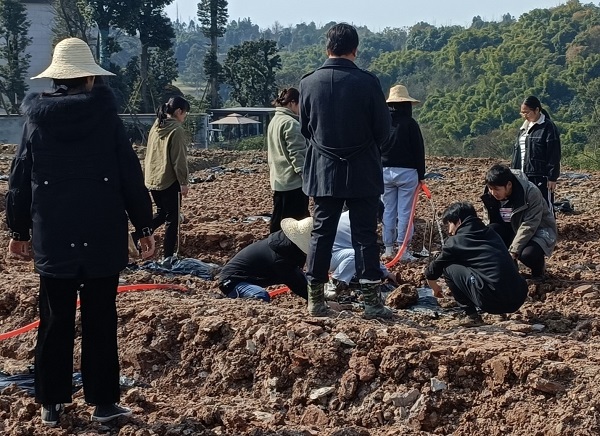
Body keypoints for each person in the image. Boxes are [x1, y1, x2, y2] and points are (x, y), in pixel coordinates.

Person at [5, 38, 155, 426]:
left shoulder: (36, 121)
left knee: (55, 319)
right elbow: (130, 175)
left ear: (56, 79)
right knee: (100, 320)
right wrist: (143, 226)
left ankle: (51, 403)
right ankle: (103, 404)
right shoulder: (107, 120)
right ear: (90, 78)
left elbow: (21, 177)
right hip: (102, 233)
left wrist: (18, 231)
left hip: (53, 236)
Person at [299, 23, 392, 318]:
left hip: (324, 171)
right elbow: (383, 130)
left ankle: (315, 301)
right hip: (363, 169)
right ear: (355, 49)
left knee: (321, 233)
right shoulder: (368, 82)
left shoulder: (308, 83)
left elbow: (306, 129)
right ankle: (372, 303)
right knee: (365, 235)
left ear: (328, 47)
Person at [424, 202, 528, 326]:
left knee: (448, 267)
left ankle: (471, 316)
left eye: (449, 224)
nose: (449, 231)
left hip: (491, 302)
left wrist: (434, 286)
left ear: (458, 222)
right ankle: (500, 314)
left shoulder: (455, 242)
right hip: (518, 296)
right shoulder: (492, 233)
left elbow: (432, 271)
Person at [133, 96, 190, 259]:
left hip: (153, 178)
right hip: (169, 180)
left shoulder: (157, 125)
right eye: (185, 113)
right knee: (173, 219)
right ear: (179, 111)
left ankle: (135, 236)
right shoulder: (176, 130)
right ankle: (168, 256)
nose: (185, 117)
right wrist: (183, 182)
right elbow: (179, 159)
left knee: (162, 213)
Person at [481, 164, 557, 280]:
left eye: (497, 189)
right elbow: (488, 221)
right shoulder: (489, 194)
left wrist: (513, 251)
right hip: (509, 228)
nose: (493, 192)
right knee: (491, 232)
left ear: (509, 185)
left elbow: (530, 224)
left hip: (536, 230)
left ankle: (538, 271)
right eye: (490, 188)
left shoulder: (530, 192)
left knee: (527, 254)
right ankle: (511, 270)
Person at [380, 84, 426, 262]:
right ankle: (403, 250)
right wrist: (421, 176)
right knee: (405, 212)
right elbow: (418, 151)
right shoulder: (410, 124)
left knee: (388, 210)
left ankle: (388, 249)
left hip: (384, 172)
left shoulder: (382, 123)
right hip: (407, 173)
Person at [217, 218, 310, 302]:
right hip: (232, 282)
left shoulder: (284, 244)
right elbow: (296, 283)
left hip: (247, 278)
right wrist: (315, 300)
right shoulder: (280, 257)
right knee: (260, 296)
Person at [267, 87, 310, 233]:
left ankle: (274, 244)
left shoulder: (275, 121)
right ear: (292, 103)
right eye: (300, 105)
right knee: (297, 225)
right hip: (293, 182)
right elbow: (297, 153)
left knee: (278, 220)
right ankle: (292, 247)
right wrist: (304, 175)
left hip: (279, 180)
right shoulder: (291, 123)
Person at [511, 95, 561, 211]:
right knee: (525, 206)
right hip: (522, 175)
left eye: (527, 112)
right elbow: (517, 153)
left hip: (540, 175)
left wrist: (552, 177)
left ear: (537, 110)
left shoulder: (548, 127)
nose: (524, 116)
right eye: (522, 113)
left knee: (544, 206)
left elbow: (554, 153)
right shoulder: (523, 128)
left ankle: (549, 224)